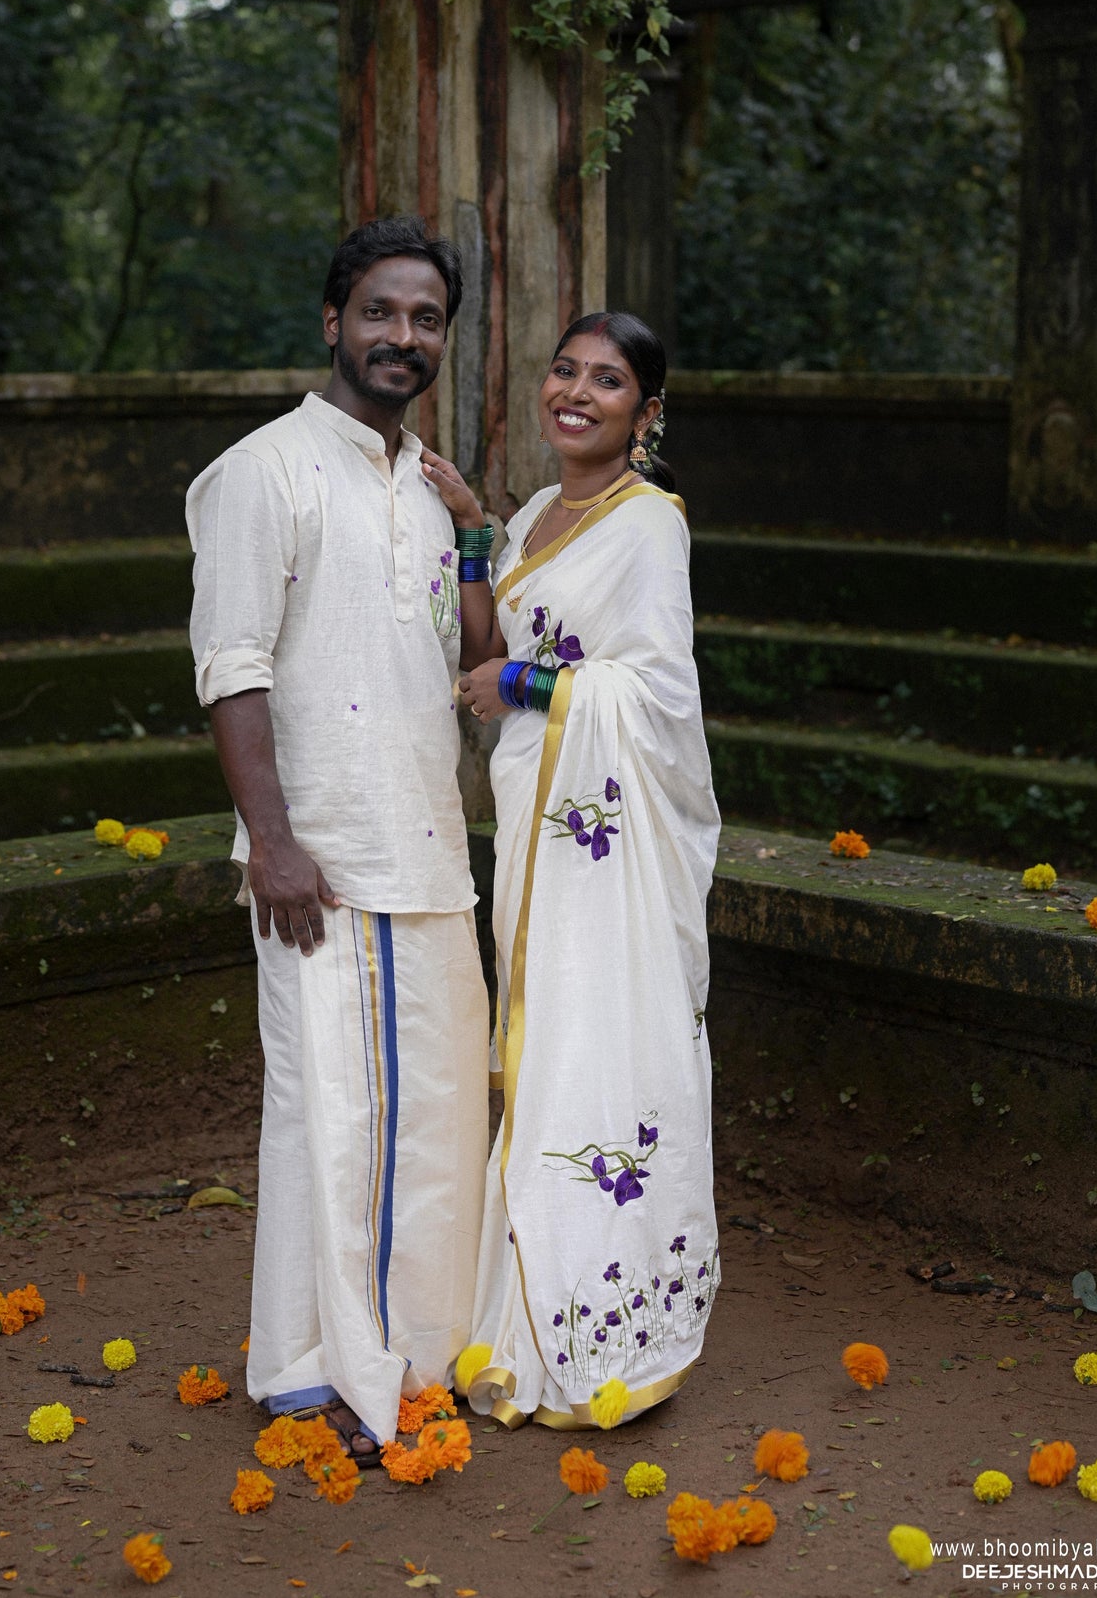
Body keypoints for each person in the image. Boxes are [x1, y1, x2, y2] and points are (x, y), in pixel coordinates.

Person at [185, 215, 489, 1461]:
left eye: (424, 321)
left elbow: (475, 662)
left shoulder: (423, 488)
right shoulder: (261, 471)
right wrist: (274, 839)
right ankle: (322, 1373)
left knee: (430, 1118)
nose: (400, 338)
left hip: (428, 849)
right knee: (334, 1116)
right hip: (321, 859)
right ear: (331, 320)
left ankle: (406, 1360)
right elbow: (231, 664)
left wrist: (472, 528)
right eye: (379, 312)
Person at [420, 311, 722, 1429]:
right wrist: (467, 534)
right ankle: (529, 1300)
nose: (576, 393)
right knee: (536, 1038)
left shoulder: (649, 528)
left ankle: (597, 1317)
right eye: (563, 371)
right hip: (537, 819)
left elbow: (651, 695)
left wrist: (529, 690)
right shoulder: (543, 512)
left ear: (643, 413)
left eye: (606, 382)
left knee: (588, 1045)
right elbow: (487, 644)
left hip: (604, 845)